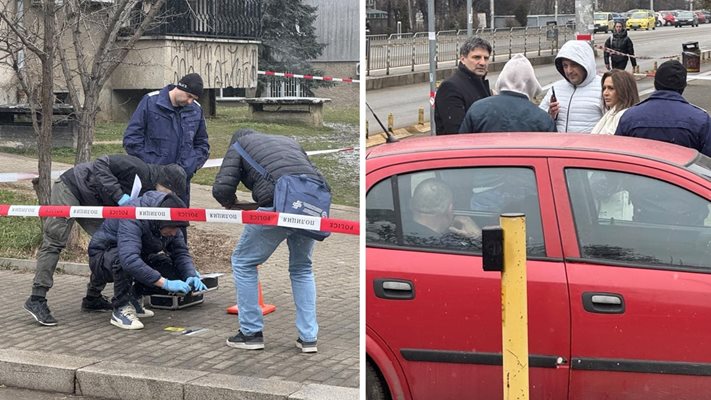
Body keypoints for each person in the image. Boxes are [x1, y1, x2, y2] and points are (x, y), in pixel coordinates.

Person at [24, 155, 187, 327]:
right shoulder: (137, 167)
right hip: (72, 187)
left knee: (108, 242)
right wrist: (120, 197)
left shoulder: (152, 195)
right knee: (54, 241)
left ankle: (93, 298)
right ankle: (37, 298)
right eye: (169, 194)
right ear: (164, 183)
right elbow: (100, 163)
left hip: (95, 203)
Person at [212, 128, 331, 353]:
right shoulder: (289, 141)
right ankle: (308, 338)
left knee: (243, 262)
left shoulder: (240, 144)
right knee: (302, 268)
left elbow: (222, 188)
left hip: (277, 206)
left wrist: (231, 203)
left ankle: (250, 334)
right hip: (308, 209)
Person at [87, 192, 206, 330]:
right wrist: (164, 283)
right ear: (162, 221)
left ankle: (134, 297)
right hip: (103, 256)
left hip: (138, 255)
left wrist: (189, 274)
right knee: (124, 260)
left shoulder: (172, 221)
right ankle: (121, 307)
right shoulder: (133, 214)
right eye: (172, 228)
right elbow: (129, 259)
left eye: (178, 229)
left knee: (172, 270)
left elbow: (180, 252)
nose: (175, 233)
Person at [123, 72, 210, 207]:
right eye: (189, 96)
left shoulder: (196, 110)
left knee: (177, 225)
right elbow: (132, 139)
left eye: (194, 98)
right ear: (180, 88)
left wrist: (191, 166)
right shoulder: (150, 102)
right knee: (148, 225)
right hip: (151, 181)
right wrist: (151, 167)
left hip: (181, 184)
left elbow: (202, 144)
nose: (190, 102)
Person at [615, 59, 711, 156]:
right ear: (683, 86)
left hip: (640, 170)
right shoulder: (700, 120)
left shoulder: (630, 116)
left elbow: (617, 156)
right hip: (681, 170)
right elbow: (707, 163)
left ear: (655, 83)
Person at [459, 54, 556, 133]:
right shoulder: (543, 119)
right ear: (531, 84)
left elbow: (462, 145)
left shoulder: (477, 108)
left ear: (502, 79)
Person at [539, 40, 603, 133]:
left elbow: (613, 124)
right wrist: (549, 115)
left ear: (586, 64)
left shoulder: (604, 88)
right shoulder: (556, 89)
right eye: (565, 65)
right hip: (558, 146)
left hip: (589, 146)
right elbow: (539, 121)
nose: (569, 71)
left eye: (574, 65)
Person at [434, 37, 492, 135]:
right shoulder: (450, 87)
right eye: (476, 57)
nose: (482, 63)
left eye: (486, 58)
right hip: (460, 148)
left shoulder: (480, 84)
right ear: (462, 59)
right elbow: (456, 132)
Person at [403, 178, 481, 250]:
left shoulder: (398, 233)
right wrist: (478, 238)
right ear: (450, 208)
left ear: (411, 204)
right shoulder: (448, 247)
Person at [591, 69, 640, 134]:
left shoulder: (623, 117)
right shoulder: (610, 114)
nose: (605, 93)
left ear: (624, 90)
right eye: (604, 88)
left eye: (611, 88)